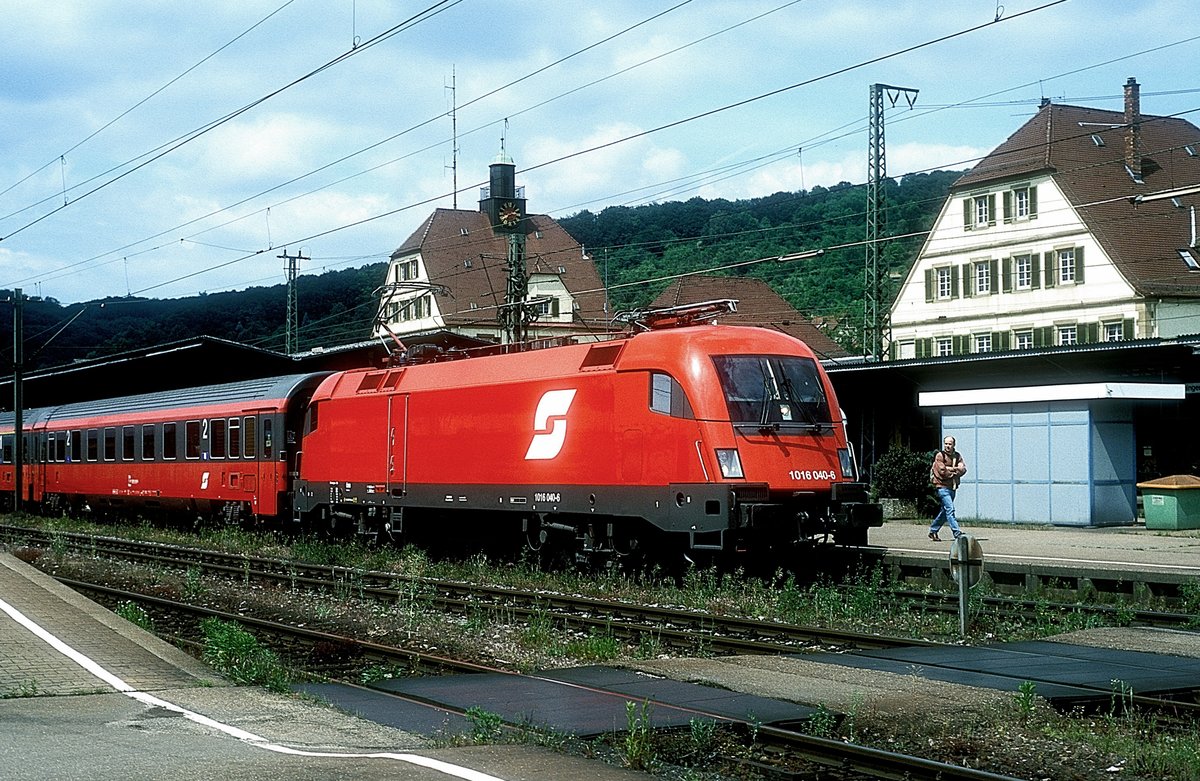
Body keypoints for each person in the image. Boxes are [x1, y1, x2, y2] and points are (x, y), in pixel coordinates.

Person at [928, 436, 967, 541]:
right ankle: (957, 532)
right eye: (946, 444)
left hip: (952, 487)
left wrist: (951, 469)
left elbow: (963, 469)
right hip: (942, 487)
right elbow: (942, 472)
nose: (947, 446)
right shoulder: (940, 456)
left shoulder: (957, 456)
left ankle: (933, 530)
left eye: (950, 444)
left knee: (945, 512)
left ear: (954, 445)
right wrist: (954, 471)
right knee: (950, 509)